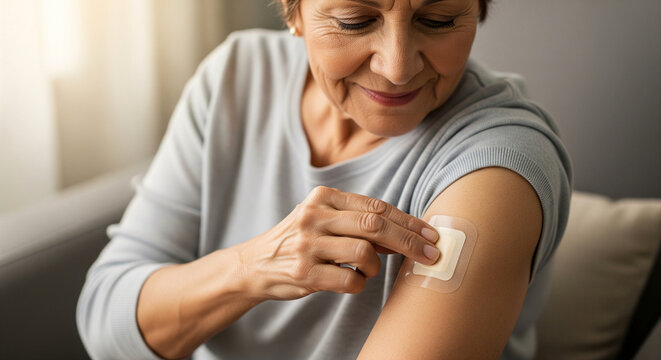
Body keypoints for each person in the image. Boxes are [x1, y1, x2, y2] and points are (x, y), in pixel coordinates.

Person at [77, 0, 572, 359]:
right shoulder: (238, 76)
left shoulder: (496, 162)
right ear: (294, 13)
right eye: (355, 21)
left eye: (438, 19)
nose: (397, 67)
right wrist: (252, 267)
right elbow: (105, 321)